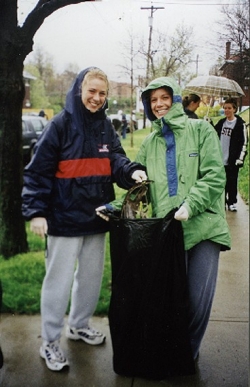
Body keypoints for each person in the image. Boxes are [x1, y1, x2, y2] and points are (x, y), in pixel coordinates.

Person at [97, 76, 231, 362]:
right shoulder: (149, 143)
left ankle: (188, 355)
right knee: (173, 301)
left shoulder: (202, 130)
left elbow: (215, 175)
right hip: (168, 232)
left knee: (197, 301)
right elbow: (141, 189)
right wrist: (114, 206)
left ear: (176, 98)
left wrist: (191, 204)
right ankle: (176, 355)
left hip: (204, 227)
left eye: (164, 98)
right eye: (153, 100)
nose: (159, 104)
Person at [22, 67, 147, 372]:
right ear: (79, 89)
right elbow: (37, 172)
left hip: (96, 217)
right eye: (92, 91)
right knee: (58, 284)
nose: (97, 98)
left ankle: (78, 325)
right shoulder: (59, 126)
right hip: (63, 221)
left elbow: (115, 159)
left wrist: (130, 171)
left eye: (102, 93)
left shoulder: (105, 126)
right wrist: (36, 212)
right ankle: (49, 342)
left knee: (90, 281)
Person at [214, 98, 247, 211]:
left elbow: (244, 143)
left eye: (229, 108)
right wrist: (207, 123)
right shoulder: (221, 123)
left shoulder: (240, 125)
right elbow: (212, 134)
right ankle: (221, 202)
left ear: (234, 109)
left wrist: (240, 159)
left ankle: (232, 202)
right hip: (220, 158)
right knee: (221, 182)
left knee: (232, 182)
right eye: (225, 108)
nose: (227, 110)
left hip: (233, 160)